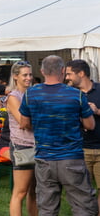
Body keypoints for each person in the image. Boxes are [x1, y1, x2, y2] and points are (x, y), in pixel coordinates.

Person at [20, 55, 98, 216]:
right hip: (72, 158)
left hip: (44, 158)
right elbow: (90, 125)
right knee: (83, 206)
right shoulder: (76, 95)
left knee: (47, 208)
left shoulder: (30, 94)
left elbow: (24, 123)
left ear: (42, 71)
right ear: (62, 71)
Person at [65, 59, 100, 214]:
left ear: (81, 73)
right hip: (79, 149)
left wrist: (97, 111)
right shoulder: (69, 94)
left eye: (69, 74)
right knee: (79, 188)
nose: (67, 78)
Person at [5, 61, 37, 216]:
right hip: (22, 146)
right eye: (25, 75)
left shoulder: (33, 93)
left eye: (30, 74)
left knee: (35, 191)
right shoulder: (13, 96)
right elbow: (25, 123)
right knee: (20, 192)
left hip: (38, 145)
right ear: (15, 76)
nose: (29, 78)